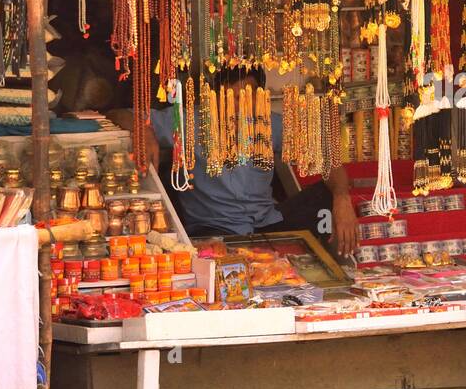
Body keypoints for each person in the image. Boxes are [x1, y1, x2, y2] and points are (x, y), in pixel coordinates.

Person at [109, 72, 358, 257]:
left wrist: (342, 197)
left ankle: (337, 265)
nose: (239, 107)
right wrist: (144, 132)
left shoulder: (269, 123)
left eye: (247, 98)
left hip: (266, 223)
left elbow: (327, 154)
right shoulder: (190, 121)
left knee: (326, 196)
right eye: (232, 98)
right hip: (213, 228)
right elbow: (116, 113)